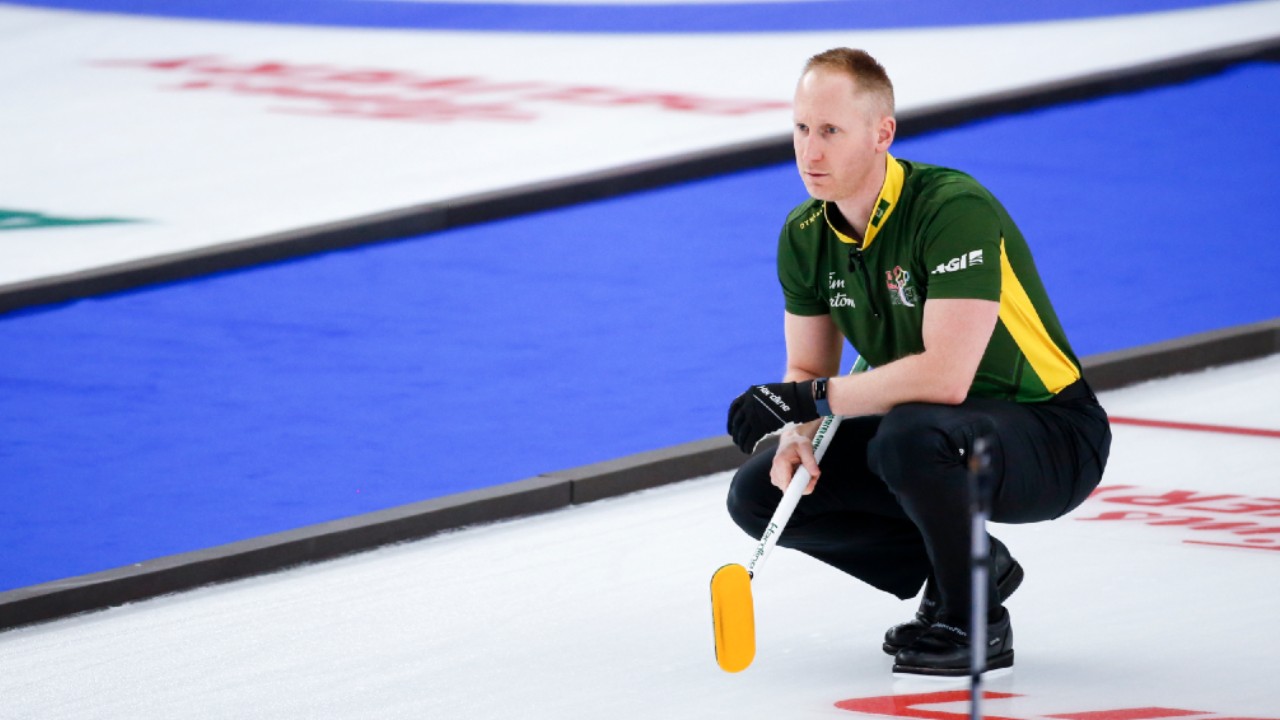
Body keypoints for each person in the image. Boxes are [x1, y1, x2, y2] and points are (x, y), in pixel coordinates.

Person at [724, 47, 1112, 676]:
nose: (810, 152)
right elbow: (806, 368)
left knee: (910, 437)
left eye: (830, 131)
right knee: (762, 492)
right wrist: (795, 431)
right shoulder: (805, 234)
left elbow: (944, 377)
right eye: (801, 128)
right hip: (937, 429)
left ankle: (975, 618)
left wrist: (808, 399)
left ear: (883, 134)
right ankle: (970, 561)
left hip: (1052, 432)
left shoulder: (950, 209)